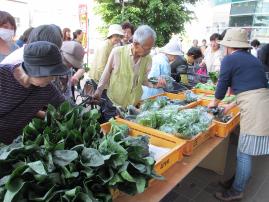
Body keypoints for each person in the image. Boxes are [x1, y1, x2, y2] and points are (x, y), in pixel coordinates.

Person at [208, 28, 269, 201]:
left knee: (244, 152)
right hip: (261, 104)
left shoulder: (230, 59)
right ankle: (237, 180)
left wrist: (215, 102)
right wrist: (229, 106)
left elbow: (222, 84)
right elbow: (253, 88)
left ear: (229, 46)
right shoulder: (253, 59)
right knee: (244, 151)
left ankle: (237, 190)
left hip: (254, 108)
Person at [0, 41, 69, 144]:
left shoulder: (47, 89)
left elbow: (69, 108)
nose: (53, 78)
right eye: (50, 74)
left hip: (10, 147)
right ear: (34, 71)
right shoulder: (2, 76)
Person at [93, 25, 165, 122]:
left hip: (132, 106)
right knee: (111, 130)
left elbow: (143, 80)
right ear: (136, 44)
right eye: (147, 48)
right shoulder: (117, 52)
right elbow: (106, 73)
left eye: (151, 48)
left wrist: (155, 84)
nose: (149, 51)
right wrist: (98, 91)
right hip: (114, 104)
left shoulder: (148, 59)